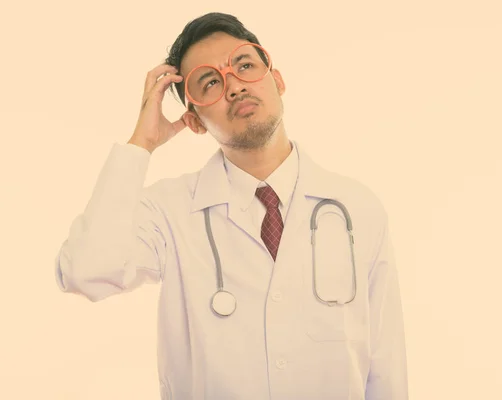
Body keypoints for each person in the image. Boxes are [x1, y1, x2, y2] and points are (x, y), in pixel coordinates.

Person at [54, 12, 409, 399]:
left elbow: (385, 366)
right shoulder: (169, 211)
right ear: (194, 121)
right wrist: (141, 143)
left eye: (244, 66)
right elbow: (85, 271)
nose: (235, 87)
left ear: (277, 80)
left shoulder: (356, 207)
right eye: (211, 83)